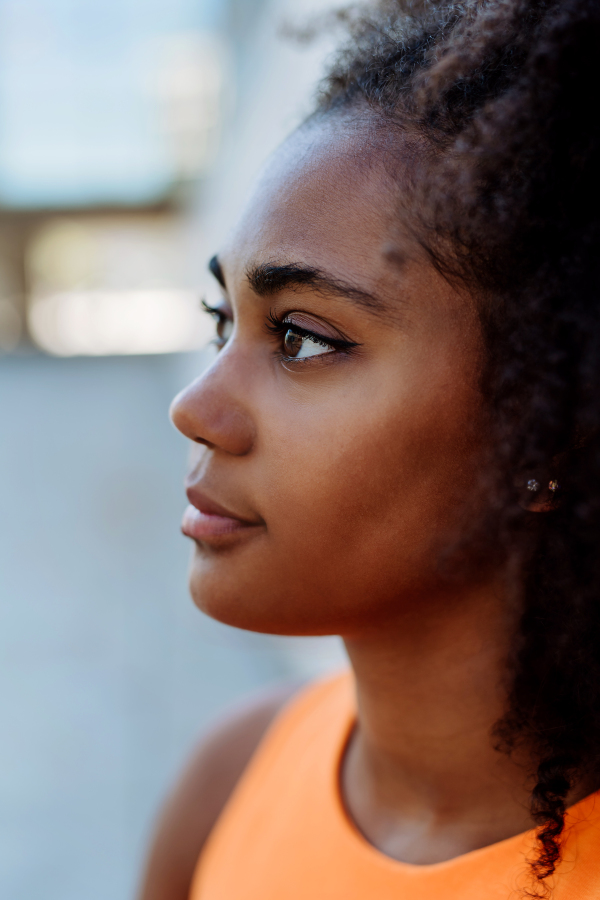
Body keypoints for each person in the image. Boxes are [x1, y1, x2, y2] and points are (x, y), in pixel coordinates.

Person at [137, 1, 600, 897]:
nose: (196, 409)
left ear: (551, 429)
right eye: (221, 320)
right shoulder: (233, 778)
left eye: (303, 338)